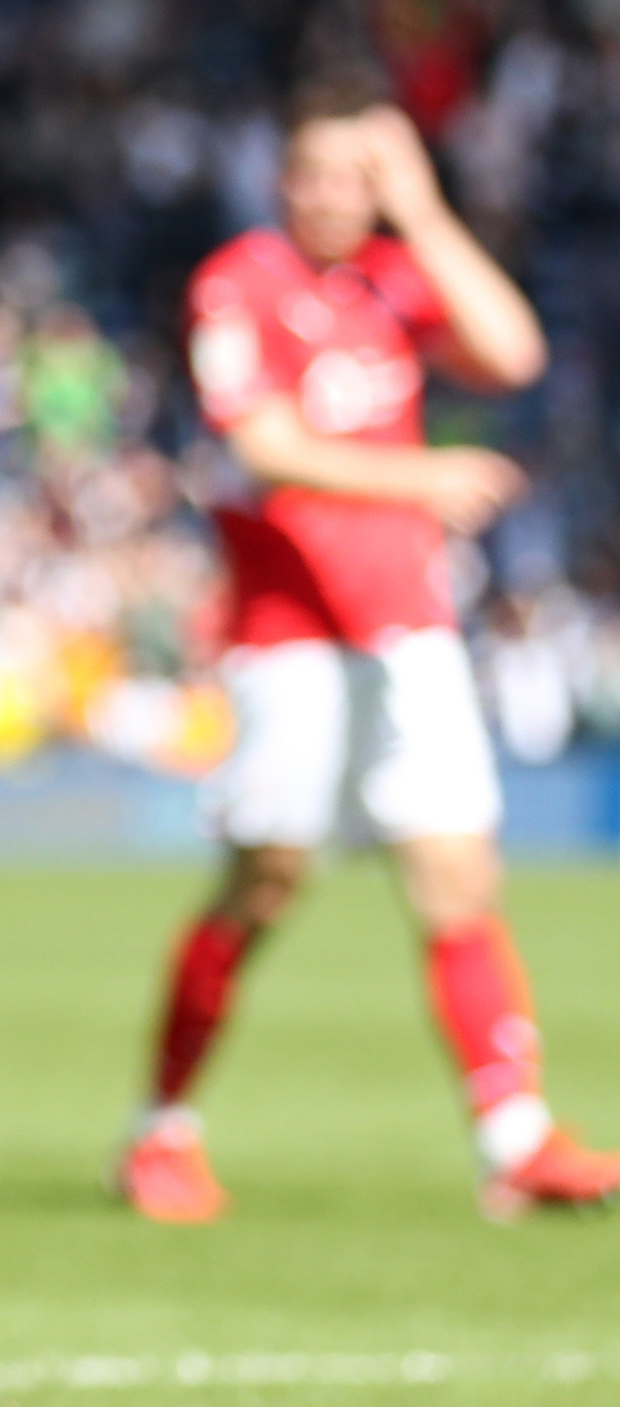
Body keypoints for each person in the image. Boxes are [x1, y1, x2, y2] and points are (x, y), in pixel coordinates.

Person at [118, 78, 620, 1223]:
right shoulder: (240, 282)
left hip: (410, 626)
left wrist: (429, 209)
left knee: (457, 874)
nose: (343, 196)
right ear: (283, 178)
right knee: (268, 877)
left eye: (364, 175)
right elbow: (263, 441)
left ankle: (516, 1136)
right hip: (290, 632)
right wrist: (420, 474)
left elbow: (514, 351)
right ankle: (160, 1125)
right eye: (323, 173)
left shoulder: (394, 280)